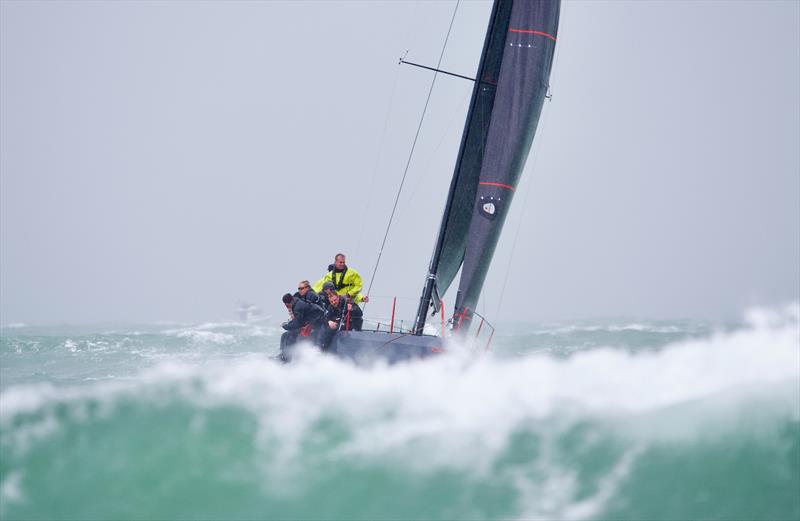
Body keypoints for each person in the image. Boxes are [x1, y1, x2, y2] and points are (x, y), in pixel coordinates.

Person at [279, 293, 324, 362]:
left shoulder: (298, 306)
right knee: (284, 335)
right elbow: (298, 320)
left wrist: (286, 326)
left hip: (317, 322)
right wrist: (288, 324)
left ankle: (287, 358)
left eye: (286, 305)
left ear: (287, 303)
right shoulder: (296, 302)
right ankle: (283, 354)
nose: (287, 307)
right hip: (311, 321)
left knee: (291, 334)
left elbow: (298, 323)